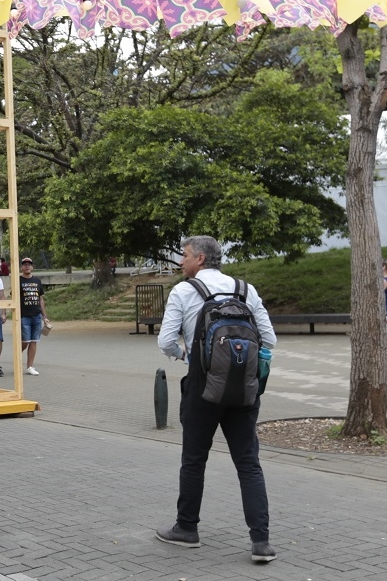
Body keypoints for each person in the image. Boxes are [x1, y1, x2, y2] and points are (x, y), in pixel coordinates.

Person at [156, 236, 278, 563]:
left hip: (202, 389)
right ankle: (261, 541)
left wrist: (186, 356)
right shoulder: (245, 290)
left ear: (198, 258)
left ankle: (187, 529)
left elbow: (166, 340)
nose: (181, 262)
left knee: (194, 459)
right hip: (244, 390)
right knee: (248, 462)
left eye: (183, 255)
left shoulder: (184, 291)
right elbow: (269, 339)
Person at [16, 257, 49, 377]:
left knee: (34, 341)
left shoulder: (37, 281)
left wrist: (44, 316)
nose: (27, 266)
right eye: (24, 264)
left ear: (32, 267)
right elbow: (14, 298)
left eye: (29, 264)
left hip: (36, 315)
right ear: (21, 267)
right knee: (25, 341)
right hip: (24, 315)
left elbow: (41, 299)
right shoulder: (18, 281)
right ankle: (17, 356)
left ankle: (30, 366)